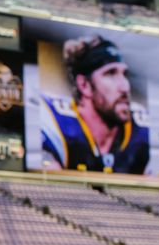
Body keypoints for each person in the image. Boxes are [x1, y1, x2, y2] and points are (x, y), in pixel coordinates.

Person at [40, 34, 150, 174]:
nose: (125, 87)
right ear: (84, 85)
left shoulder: (142, 129)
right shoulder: (53, 123)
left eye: (125, 74)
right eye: (110, 73)